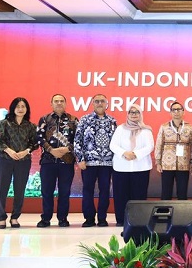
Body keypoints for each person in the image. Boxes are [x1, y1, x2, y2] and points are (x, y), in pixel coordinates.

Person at [0, 97, 38, 229]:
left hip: (23, 161)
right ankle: (1, 218)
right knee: (2, 189)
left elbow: (35, 143)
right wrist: (9, 150)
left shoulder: (31, 126)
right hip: (5, 160)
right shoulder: (4, 123)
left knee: (20, 190)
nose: (20, 109)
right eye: (18, 106)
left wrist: (26, 151)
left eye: (23, 106)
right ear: (13, 108)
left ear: (27, 109)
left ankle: (15, 217)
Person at [73, 94, 117, 227]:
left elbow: (116, 142)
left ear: (107, 104)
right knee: (88, 190)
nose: (99, 103)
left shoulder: (112, 121)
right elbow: (77, 140)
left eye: (102, 101)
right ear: (92, 104)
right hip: (88, 162)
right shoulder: (84, 119)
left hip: (107, 163)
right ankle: (89, 218)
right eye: (96, 101)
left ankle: (102, 218)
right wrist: (80, 158)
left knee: (105, 190)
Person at [36, 94, 78, 228]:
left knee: (64, 192)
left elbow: (79, 139)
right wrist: (51, 150)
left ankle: (63, 218)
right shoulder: (44, 119)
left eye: (61, 101)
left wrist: (67, 149)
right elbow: (39, 137)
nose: (59, 103)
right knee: (47, 192)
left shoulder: (73, 120)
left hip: (67, 162)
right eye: (56, 101)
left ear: (65, 103)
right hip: (48, 161)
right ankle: (45, 218)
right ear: (51, 104)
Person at [110, 105, 154, 226]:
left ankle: (138, 221)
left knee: (139, 196)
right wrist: (125, 153)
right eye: (131, 112)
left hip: (141, 168)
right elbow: (113, 145)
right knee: (121, 195)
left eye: (137, 112)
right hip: (121, 167)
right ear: (127, 114)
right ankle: (121, 220)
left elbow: (150, 146)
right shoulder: (120, 129)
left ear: (140, 114)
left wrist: (135, 154)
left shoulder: (146, 130)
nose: (134, 114)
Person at [155, 101, 192, 200]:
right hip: (167, 164)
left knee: (182, 192)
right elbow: (159, 144)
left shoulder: (190, 127)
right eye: (174, 110)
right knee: (166, 192)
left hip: (184, 164)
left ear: (183, 112)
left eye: (179, 109)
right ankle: (164, 210)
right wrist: (158, 162)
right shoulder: (164, 127)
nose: (176, 112)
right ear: (170, 112)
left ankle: (181, 210)